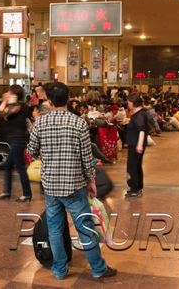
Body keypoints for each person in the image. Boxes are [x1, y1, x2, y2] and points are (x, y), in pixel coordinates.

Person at [27, 82, 117, 281]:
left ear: (49, 101)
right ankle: (98, 268)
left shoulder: (41, 123)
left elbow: (31, 151)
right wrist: (91, 181)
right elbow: (87, 158)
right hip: (75, 185)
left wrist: (47, 154)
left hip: (51, 186)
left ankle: (59, 270)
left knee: (55, 229)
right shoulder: (79, 123)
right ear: (68, 99)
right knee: (85, 228)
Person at [0, 85, 32, 203]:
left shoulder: (18, 106)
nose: (6, 93)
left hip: (18, 139)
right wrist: (6, 101)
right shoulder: (15, 106)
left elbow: (1, 114)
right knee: (8, 165)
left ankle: (26, 194)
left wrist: (5, 101)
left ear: (14, 94)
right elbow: (1, 115)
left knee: (20, 166)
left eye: (9, 92)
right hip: (15, 139)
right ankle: (7, 191)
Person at [125, 93, 149, 198]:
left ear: (134, 103)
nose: (127, 104)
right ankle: (138, 187)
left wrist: (139, 145)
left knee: (132, 166)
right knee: (137, 166)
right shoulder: (139, 113)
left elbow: (142, 130)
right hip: (134, 143)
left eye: (129, 102)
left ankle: (134, 188)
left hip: (136, 144)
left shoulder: (139, 115)